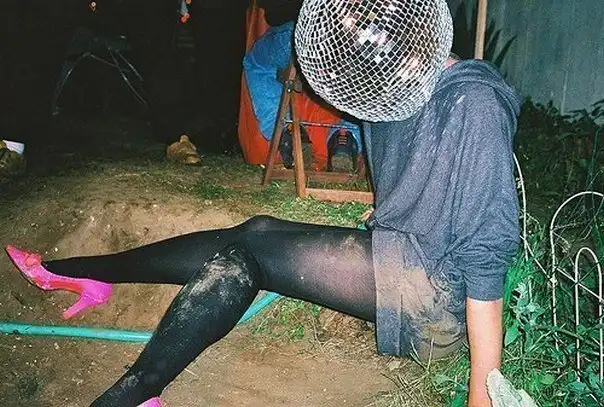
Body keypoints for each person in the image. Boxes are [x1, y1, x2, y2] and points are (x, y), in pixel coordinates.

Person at [4, 1, 522, 406]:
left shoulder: (472, 101)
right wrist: (392, 212)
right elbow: (413, 181)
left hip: (437, 302)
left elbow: (488, 251)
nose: (363, 54)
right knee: (256, 229)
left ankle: (135, 391)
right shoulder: (386, 90)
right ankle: (89, 274)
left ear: (409, 31)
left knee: (248, 256)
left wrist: (483, 390)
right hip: (401, 253)